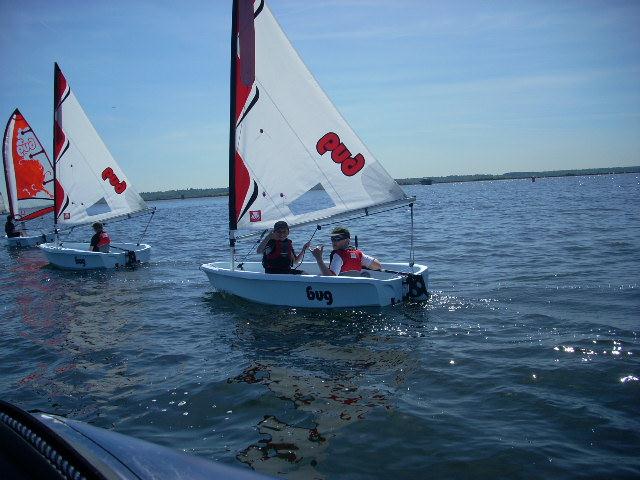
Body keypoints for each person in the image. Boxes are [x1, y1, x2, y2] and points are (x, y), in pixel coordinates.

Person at [311, 227, 381, 276]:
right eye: (332, 239)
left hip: (341, 289)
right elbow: (377, 266)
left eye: (337, 238)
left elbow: (330, 278)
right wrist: (360, 262)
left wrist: (319, 258)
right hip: (356, 288)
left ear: (347, 240)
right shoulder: (359, 254)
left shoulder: (338, 256)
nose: (334, 241)